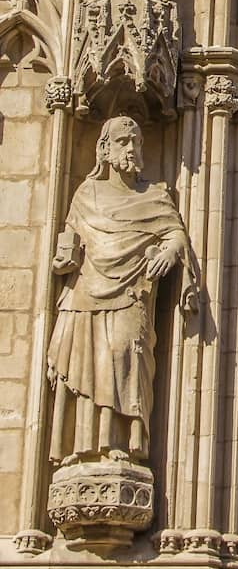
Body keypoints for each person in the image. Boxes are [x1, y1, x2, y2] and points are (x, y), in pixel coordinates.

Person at [47, 116, 197, 466]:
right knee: (86, 362)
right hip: (86, 292)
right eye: (123, 142)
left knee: (123, 355)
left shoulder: (153, 195)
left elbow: (174, 233)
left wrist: (169, 252)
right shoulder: (86, 194)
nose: (132, 149)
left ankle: (123, 441)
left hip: (132, 294)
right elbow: (71, 239)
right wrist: (62, 259)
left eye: (137, 142)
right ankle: (85, 446)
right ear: (105, 149)